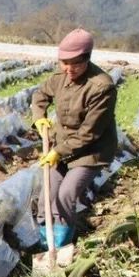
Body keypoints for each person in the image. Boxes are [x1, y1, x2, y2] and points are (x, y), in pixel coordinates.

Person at [31, 28, 118, 249]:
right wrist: (39, 117)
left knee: (65, 196)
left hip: (91, 150)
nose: (69, 69)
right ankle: (46, 246)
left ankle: (61, 247)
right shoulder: (60, 78)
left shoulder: (102, 86)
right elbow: (40, 95)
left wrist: (57, 152)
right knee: (46, 198)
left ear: (87, 59)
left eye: (76, 64)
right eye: (64, 63)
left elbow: (90, 133)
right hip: (61, 144)